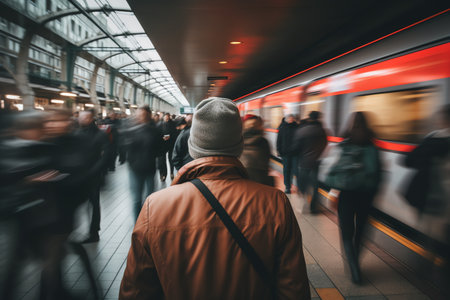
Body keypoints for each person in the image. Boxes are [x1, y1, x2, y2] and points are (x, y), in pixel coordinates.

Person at [120, 97, 310, 300]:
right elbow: (294, 289)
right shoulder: (275, 204)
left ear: (193, 146)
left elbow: (136, 291)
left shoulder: (155, 206)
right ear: (239, 146)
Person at [326, 112, 381, 284]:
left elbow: (333, 170)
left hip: (347, 195)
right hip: (366, 197)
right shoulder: (372, 146)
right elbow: (378, 175)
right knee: (361, 232)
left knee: (347, 233)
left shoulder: (344, 144)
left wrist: (334, 191)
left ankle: (354, 269)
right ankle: (356, 262)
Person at [74, 110, 110, 243]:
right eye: (80, 118)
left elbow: (106, 155)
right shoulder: (76, 133)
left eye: (83, 118)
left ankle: (94, 231)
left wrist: (95, 170)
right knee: (80, 203)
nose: (80, 120)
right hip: (79, 175)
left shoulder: (100, 134)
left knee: (94, 203)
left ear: (90, 119)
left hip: (93, 175)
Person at [124, 106, 163, 220]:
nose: (140, 117)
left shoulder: (155, 130)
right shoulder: (131, 130)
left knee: (150, 198)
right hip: (135, 169)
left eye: (143, 115)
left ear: (148, 115)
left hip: (149, 168)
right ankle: (138, 223)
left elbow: (160, 149)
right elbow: (126, 148)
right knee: (137, 199)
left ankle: (147, 221)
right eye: (139, 114)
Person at [291, 111, 328, 213]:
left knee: (302, 184)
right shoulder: (321, 131)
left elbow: (295, 148)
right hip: (315, 162)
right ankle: (313, 207)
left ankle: (302, 205)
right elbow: (324, 144)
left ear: (309, 118)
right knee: (315, 186)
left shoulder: (302, 130)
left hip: (303, 162)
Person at [240, 114, 273, 186]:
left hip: (242, 176)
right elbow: (266, 160)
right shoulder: (262, 141)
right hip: (259, 177)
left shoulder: (239, 140)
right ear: (259, 126)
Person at [277, 114, 299, 193]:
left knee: (295, 170)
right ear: (286, 119)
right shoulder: (282, 127)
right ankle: (287, 187)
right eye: (289, 118)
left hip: (295, 153)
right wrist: (279, 151)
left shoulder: (297, 127)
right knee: (286, 170)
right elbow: (279, 140)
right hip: (285, 153)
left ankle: (297, 186)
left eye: (292, 118)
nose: (291, 119)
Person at [158, 113, 177, 181]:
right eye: (166, 117)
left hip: (171, 144)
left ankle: (171, 172)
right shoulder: (160, 124)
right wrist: (162, 138)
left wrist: (170, 136)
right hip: (162, 145)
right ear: (163, 118)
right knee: (162, 160)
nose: (167, 118)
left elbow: (175, 133)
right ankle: (163, 174)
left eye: (168, 117)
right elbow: (158, 134)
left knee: (171, 159)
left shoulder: (173, 124)